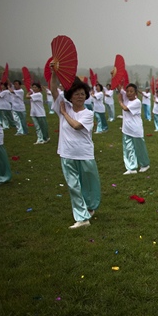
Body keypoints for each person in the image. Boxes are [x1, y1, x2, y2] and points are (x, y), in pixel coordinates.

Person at [50, 73, 101, 229]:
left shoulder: (88, 113)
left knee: (89, 185)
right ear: (69, 96)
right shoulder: (63, 106)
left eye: (82, 94)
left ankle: (90, 207)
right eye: (76, 93)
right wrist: (55, 72)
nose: (80, 96)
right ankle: (82, 218)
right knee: (74, 186)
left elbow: (77, 126)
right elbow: (53, 88)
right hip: (67, 154)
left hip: (84, 154)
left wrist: (64, 113)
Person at [117, 83, 150, 174]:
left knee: (139, 148)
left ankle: (145, 164)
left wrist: (120, 101)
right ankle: (132, 167)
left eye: (131, 91)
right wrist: (114, 75)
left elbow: (126, 109)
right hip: (126, 129)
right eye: (127, 91)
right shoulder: (127, 99)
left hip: (136, 129)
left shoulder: (137, 102)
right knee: (128, 148)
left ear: (136, 93)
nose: (128, 93)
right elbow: (119, 88)